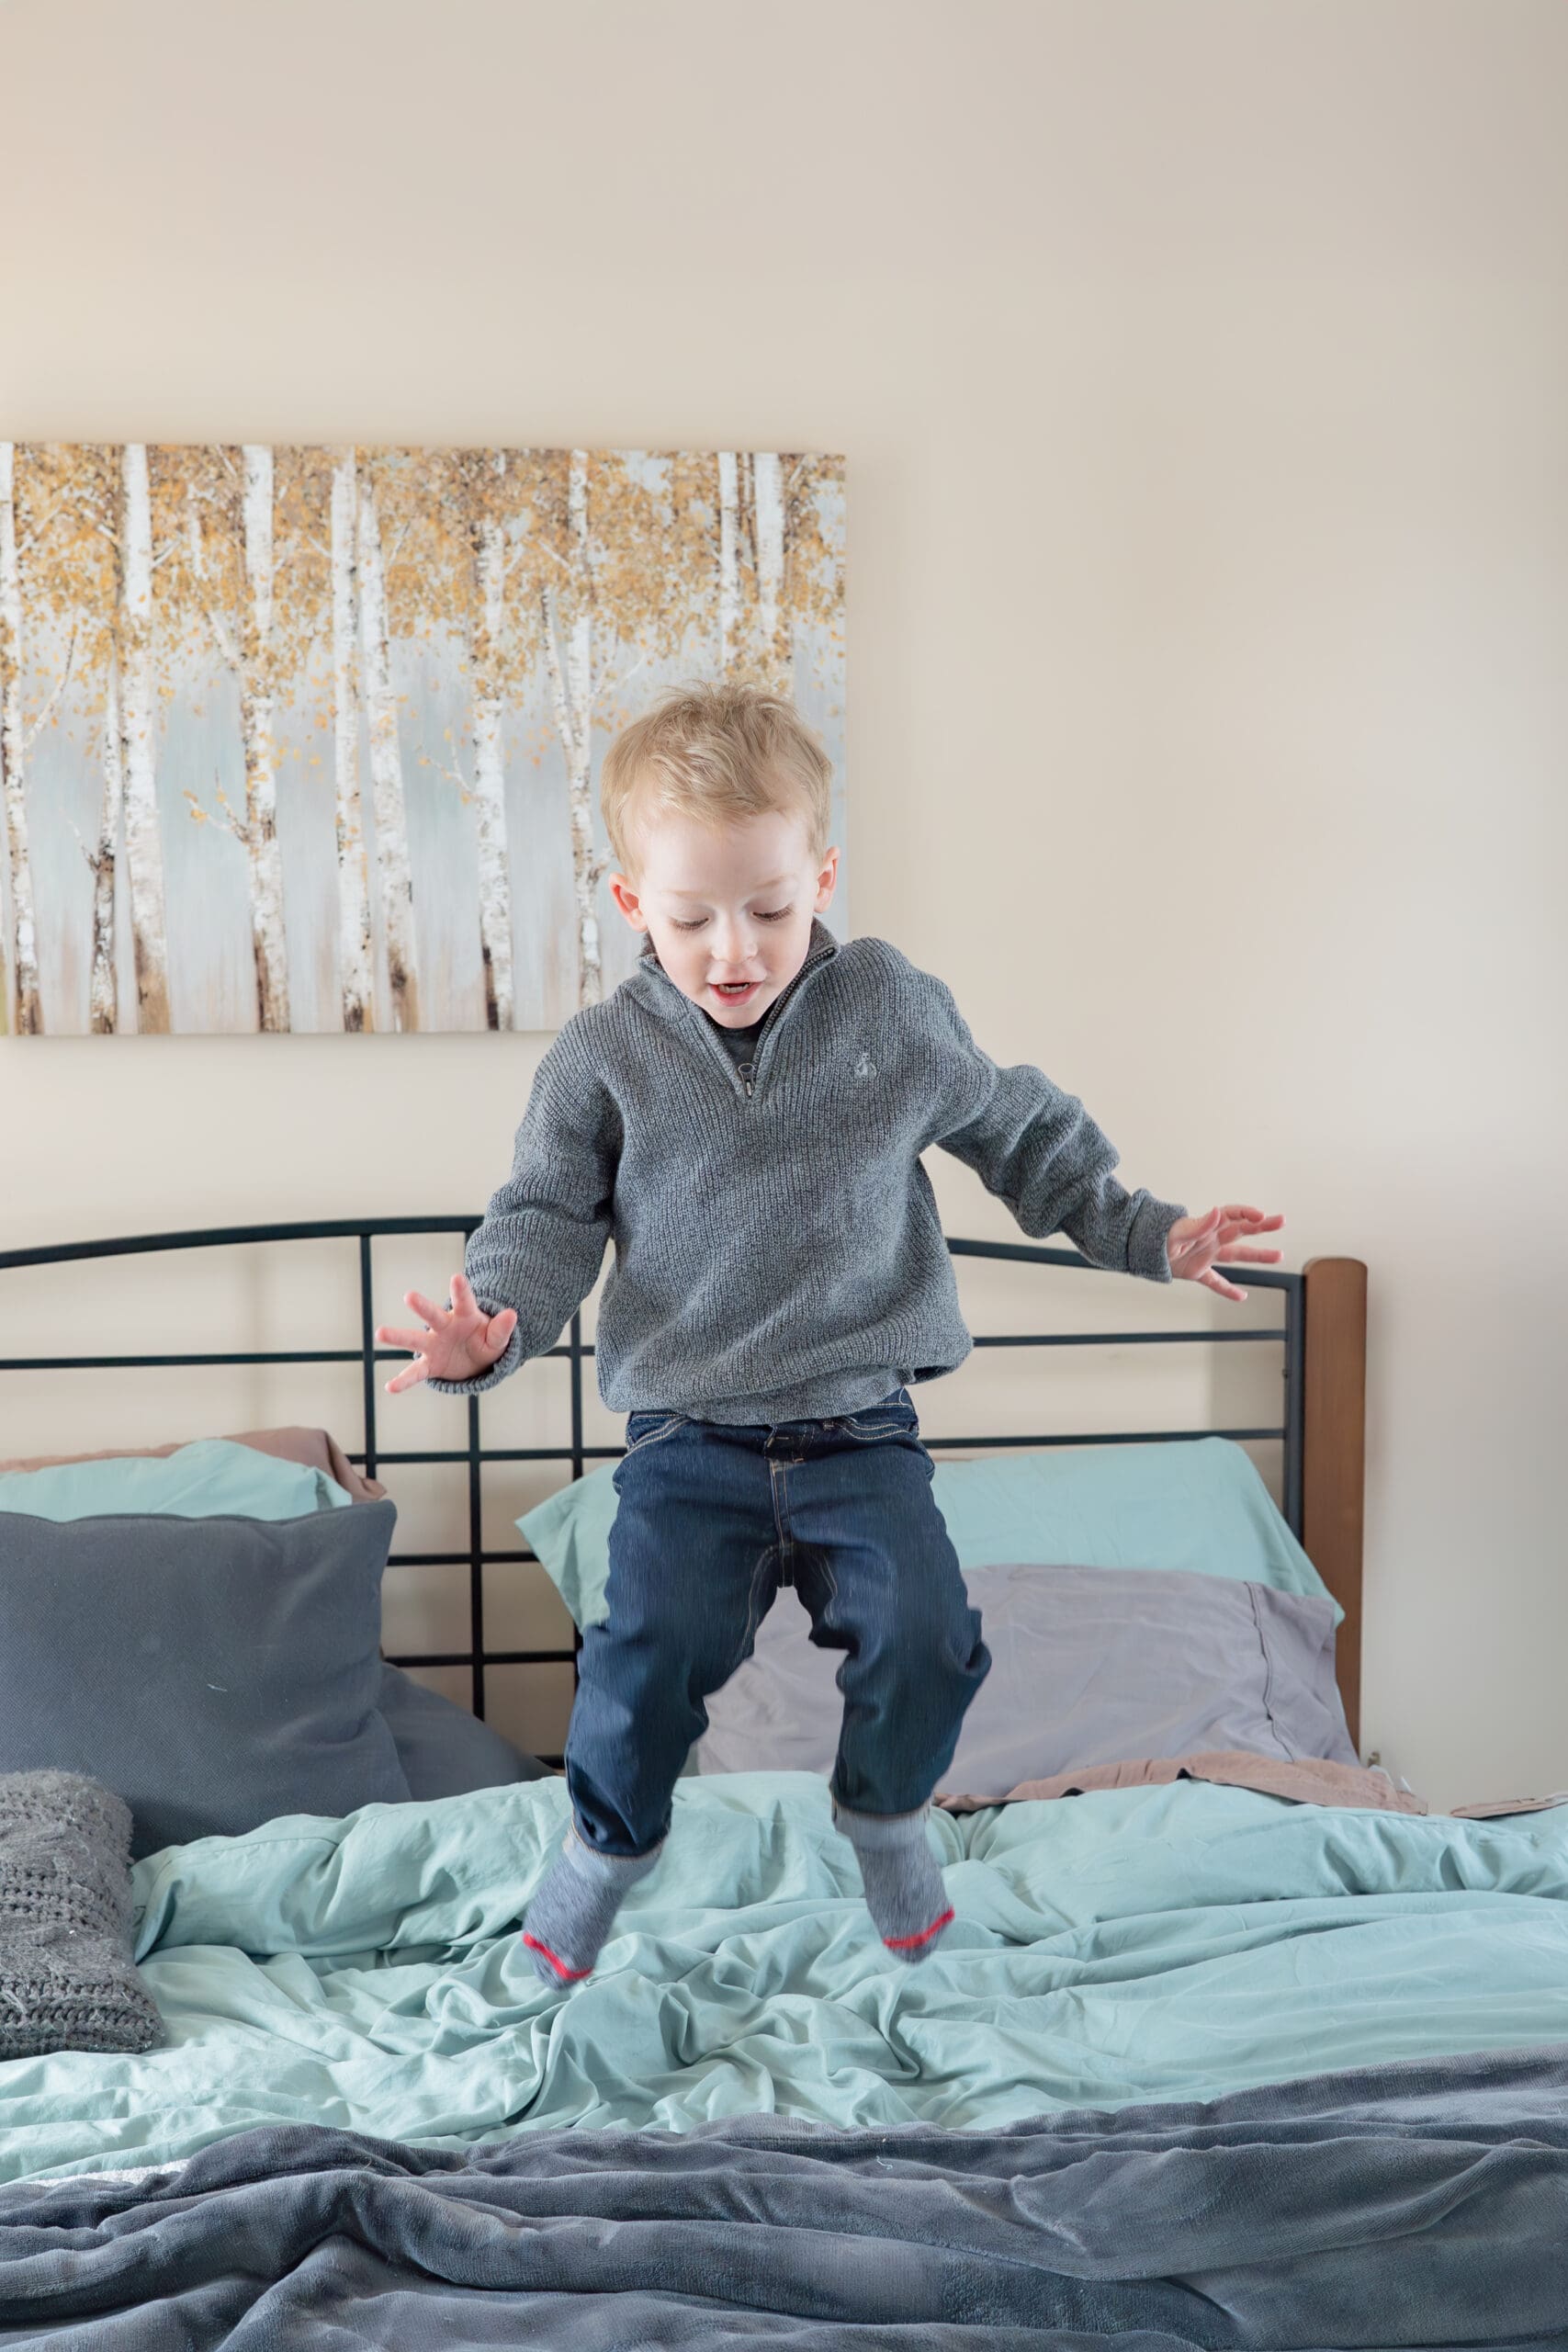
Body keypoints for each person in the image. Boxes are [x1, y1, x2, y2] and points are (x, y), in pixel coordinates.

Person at [376, 682, 1283, 1985]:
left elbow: (1017, 1132)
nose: (733, 949)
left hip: (860, 1432)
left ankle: (887, 1821)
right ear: (632, 904)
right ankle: (602, 1855)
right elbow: (545, 1219)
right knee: (641, 1668)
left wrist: (1148, 1232)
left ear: (823, 878)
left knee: (929, 1641)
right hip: (689, 1443)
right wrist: (494, 1330)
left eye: (769, 908)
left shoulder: (890, 1010)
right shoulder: (603, 1057)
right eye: (691, 918)